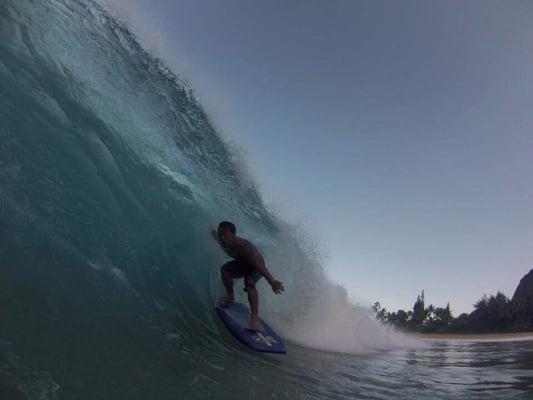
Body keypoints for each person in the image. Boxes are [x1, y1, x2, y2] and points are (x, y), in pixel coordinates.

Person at [212, 221, 284, 331]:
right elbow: (213, 233)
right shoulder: (221, 240)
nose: (222, 237)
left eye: (225, 234)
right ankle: (230, 296)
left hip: (256, 266)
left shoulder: (245, 248)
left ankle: (254, 320)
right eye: (220, 234)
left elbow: (261, 267)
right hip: (242, 264)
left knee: (249, 282)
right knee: (225, 270)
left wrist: (272, 282)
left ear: (233, 234)